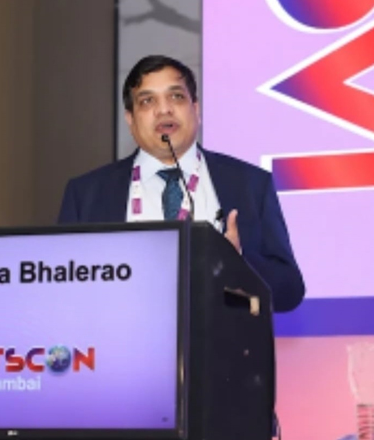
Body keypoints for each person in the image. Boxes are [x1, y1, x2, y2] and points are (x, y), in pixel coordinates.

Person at [58, 55, 304, 312]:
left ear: (196, 109)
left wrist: (239, 262)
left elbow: (289, 292)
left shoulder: (249, 184)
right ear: (130, 119)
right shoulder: (86, 194)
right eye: (147, 101)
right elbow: (61, 292)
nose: (164, 110)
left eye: (176, 97)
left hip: (220, 337)